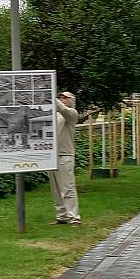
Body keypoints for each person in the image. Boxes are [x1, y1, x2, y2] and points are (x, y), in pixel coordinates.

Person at [49, 91, 81, 225]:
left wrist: (49, 94)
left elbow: (63, 110)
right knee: (55, 189)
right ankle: (62, 216)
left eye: (65, 97)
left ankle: (74, 217)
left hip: (65, 155)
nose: (62, 99)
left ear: (72, 100)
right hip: (51, 155)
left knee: (67, 187)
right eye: (60, 97)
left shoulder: (72, 113)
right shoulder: (54, 116)